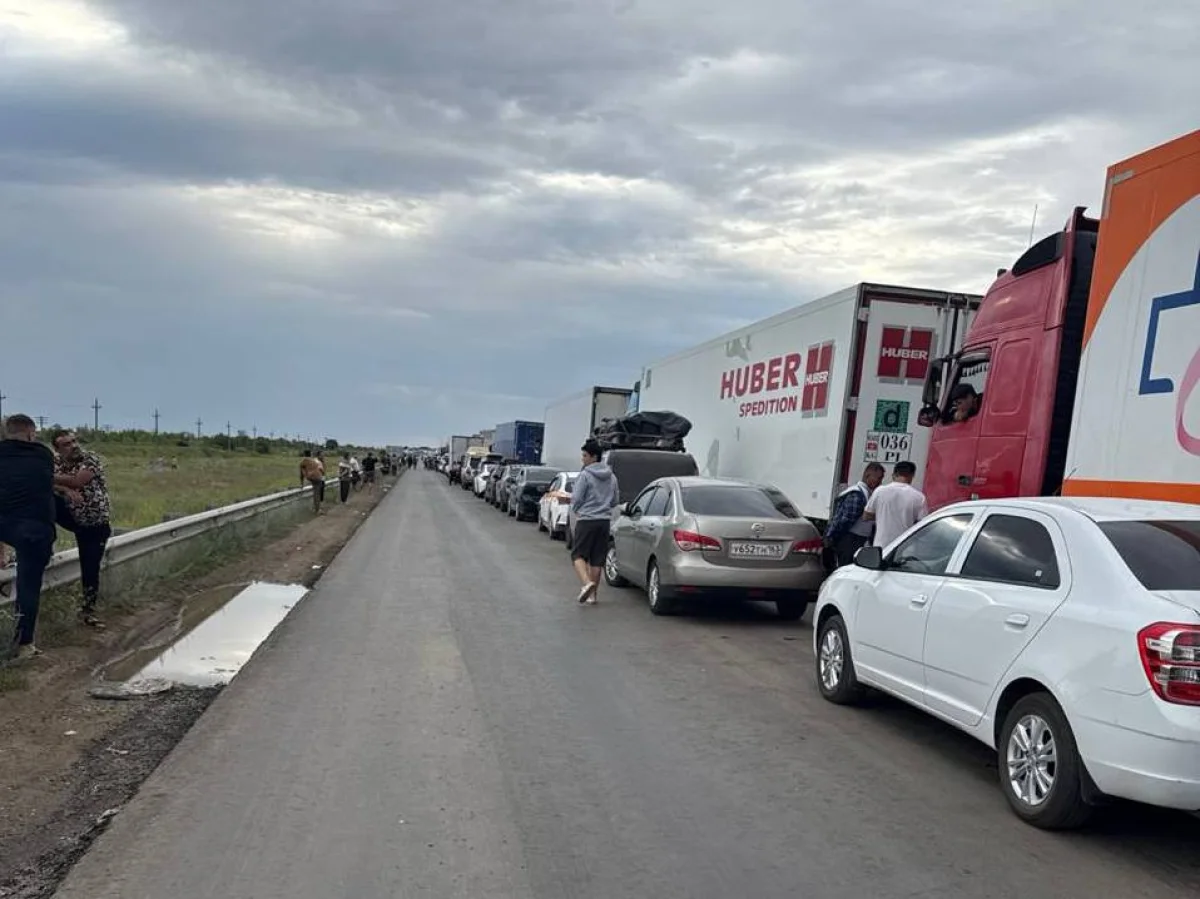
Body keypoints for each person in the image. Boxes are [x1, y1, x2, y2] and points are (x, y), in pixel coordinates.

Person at [0, 414, 57, 660]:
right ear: (31, 434)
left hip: (4, 524)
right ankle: (24, 644)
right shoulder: (43, 454)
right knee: (28, 587)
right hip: (35, 529)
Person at [50, 430, 112, 628]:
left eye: (74, 441)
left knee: (90, 567)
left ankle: (88, 610)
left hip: (95, 523)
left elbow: (78, 481)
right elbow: (43, 481)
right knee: (45, 499)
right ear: (57, 449)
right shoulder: (57, 462)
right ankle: (45, 543)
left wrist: (53, 479)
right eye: (67, 444)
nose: (74, 446)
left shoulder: (90, 458)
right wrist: (65, 489)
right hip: (74, 518)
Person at [569, 439, 619, 604]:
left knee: (578, 555)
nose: (582, 459)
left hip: (587, 520)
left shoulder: (585, 475)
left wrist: (576, 509)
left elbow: (577, 498)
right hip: (604, 522)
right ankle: (593, 596)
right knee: (597, 560)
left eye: (585, 455)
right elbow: (615, 501)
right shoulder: (612, 477)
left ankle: (586, 583)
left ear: (594, 457)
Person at [824, 463, 885, 567]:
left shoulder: (865, 493)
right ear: (867, 475)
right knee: (845, 568)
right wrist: (832, 537)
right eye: (878, 478)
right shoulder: (857, 494)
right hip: (850, 540)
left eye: (881, 478)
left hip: (854, 539)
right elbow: (845, 520)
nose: (880, 482)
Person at [864, 460, 929, 550]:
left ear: (894, 474)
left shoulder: (880, 491)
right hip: (904, 548)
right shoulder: (919, 497)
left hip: (881, 546)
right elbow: (923, 525)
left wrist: (882, 515)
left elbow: (866, 516)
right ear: (912, 475)